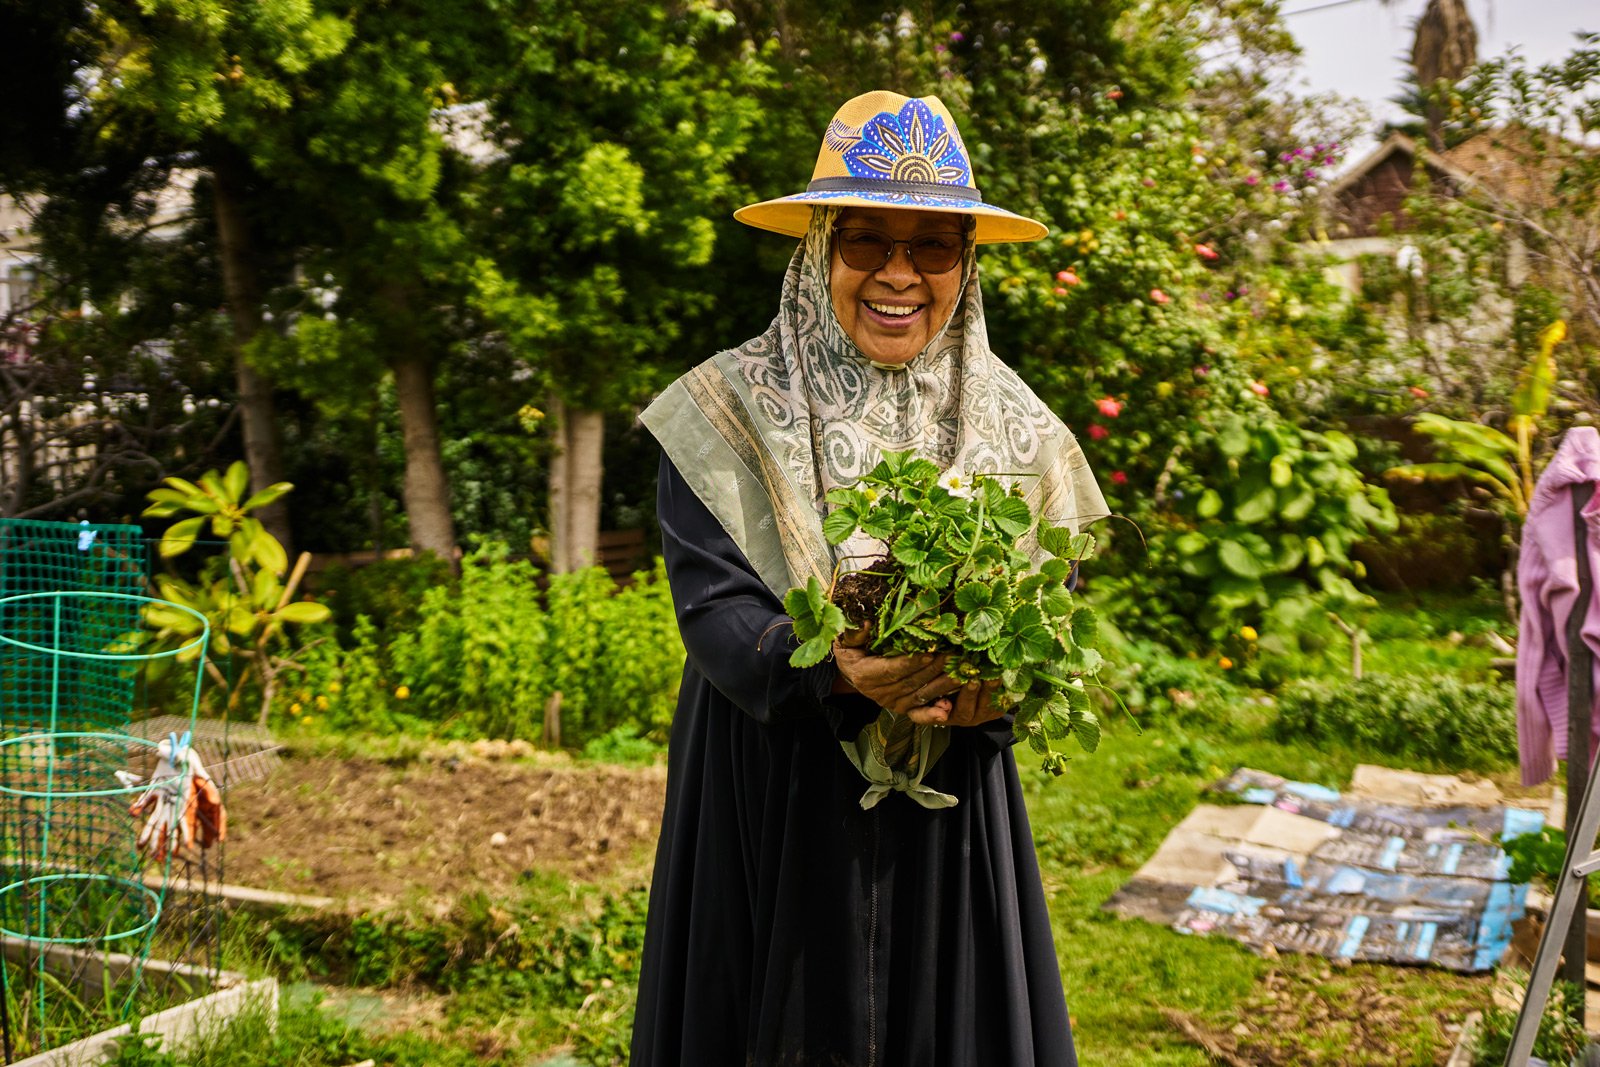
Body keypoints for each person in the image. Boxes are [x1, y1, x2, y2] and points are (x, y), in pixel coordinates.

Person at [631, 90, 1107, 1067]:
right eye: (865, 241)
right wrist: (832, 669)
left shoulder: (1016, 427)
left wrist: (993, 693)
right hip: (773, 785)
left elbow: (1047, 616)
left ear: (967, 265)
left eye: (932, 246)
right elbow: (715, 608)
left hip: (950, 802)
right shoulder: (724, 408)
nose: (898, 273)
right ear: (818, 252)